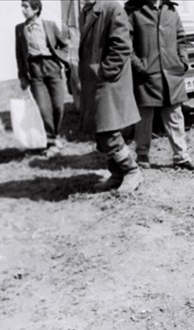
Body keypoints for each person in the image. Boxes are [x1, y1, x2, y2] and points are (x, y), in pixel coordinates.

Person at [125, 0, 194, 171]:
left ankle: (181, 157)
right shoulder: (134, 10)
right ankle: (142, 156)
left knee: (175, 115)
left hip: (171, 75)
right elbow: (126, 44)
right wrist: (139, 67)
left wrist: (182, 62)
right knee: (144, 118)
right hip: (146, 76)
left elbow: (181, 38)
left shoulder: (171, 9)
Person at [78, 0, 143, 193]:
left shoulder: (112, 8)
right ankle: (116, 174)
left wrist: (102, 72)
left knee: (108, 132)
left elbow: (122, 47)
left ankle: (132, 171)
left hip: (109, 83)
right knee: (101, 131)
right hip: (95, 83)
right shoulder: (86, 11)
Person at [15, 0, 70, 152]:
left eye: (26, 6)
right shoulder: (20, 29)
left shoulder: (50, 25)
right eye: (22, 6)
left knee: (58, 106)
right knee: (43, 109)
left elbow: (64, 45)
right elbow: (19, 55)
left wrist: (61, 58)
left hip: (52, 67)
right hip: (34, 71)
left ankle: (55, 135)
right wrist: (22, 76)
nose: (23, 10)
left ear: (36, 8)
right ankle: (51, 142)